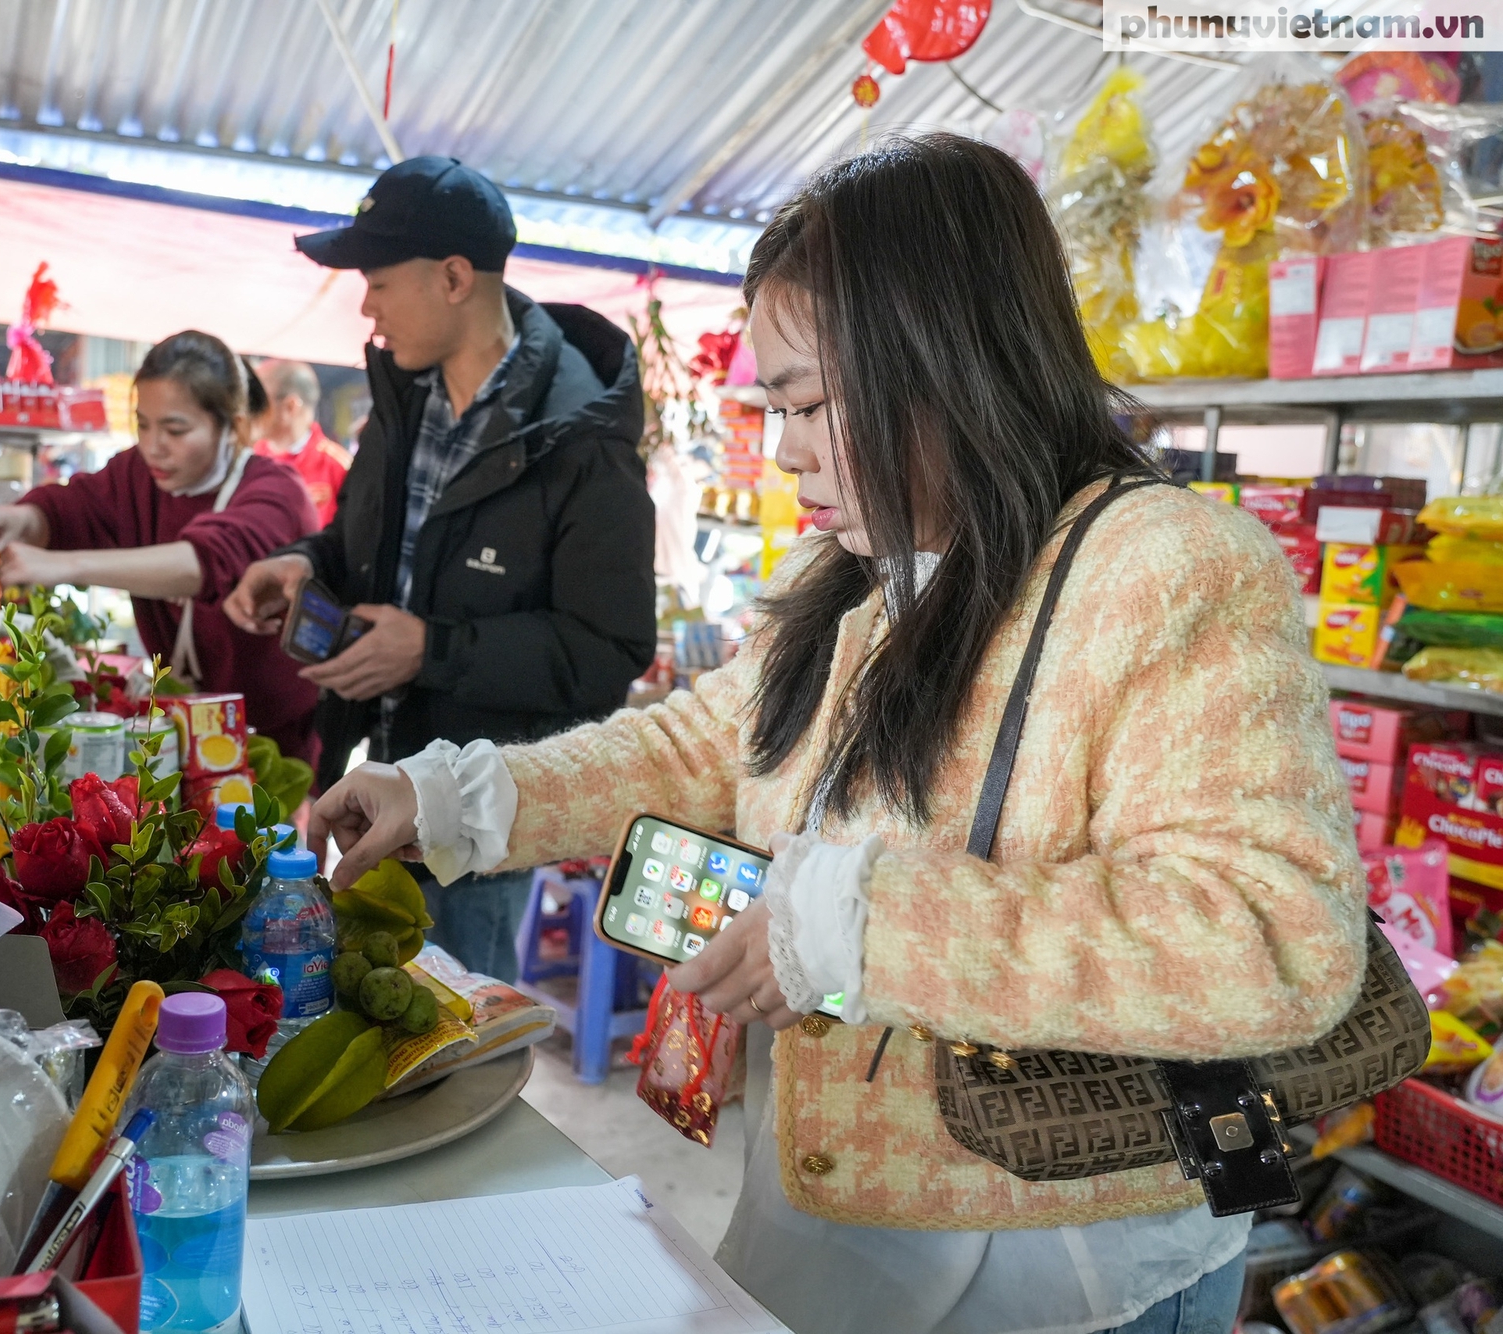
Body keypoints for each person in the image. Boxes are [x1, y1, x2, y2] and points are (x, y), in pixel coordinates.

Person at [301, 136, 1366, 1334]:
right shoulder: (863, 569)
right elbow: (701, 745)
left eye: (806, 400)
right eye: (773, 405)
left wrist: (859, 923)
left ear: (941, 357)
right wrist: (450, 797)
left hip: (1061, 1258)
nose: (784, 445)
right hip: (835, 1211)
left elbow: (1272, 934)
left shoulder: (1167, 564)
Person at [222, 156, 656, 981]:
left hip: (481, 825)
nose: (366, 307)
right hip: (374, 777)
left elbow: (610, 649)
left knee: (457, 1027)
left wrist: (432, 649)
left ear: (454, 278)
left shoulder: (582, 444)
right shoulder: (404, 403)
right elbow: (357, 541)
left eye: (378, 281)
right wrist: (299, 563)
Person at [0, 331, 321, 765]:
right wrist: (20, 521)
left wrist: (61, 565)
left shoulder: (277, 493)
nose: (153, 446)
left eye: (175, 429)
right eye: (143, 424)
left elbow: (204, 562)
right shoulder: (136, 474)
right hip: (178, 721)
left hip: (271, 737)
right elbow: (71, 508)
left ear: (232, 426)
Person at [253, 359, 351, 529]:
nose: (250, 409)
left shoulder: (338, 466)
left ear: (290, 406)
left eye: (258, 400)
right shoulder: (247, 461)